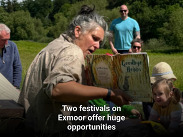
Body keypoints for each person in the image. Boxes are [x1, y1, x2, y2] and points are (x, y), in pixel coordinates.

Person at [18, 5, 132, 137]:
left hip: (32, 126)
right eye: (94, 38)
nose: (97, 46)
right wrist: (109, 94)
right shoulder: (72, 51)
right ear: (77, 31)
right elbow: (58, 89)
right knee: (134, 127)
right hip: (57, 131)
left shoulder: (52, 45)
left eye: (100, 42)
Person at [0, 23, 22, 89]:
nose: (6, 42)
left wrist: (16, 86)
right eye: (3, 40)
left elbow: (17, 67)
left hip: (10, 88)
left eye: (8, 39)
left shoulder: (12, 46)